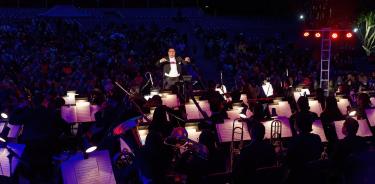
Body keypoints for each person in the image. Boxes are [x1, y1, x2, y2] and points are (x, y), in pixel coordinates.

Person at [286, 111, 323, 184]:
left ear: (297, 125)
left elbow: (289, 161)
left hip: (300, 177)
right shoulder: (317, 138)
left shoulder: (295, 140)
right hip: (314, 176)